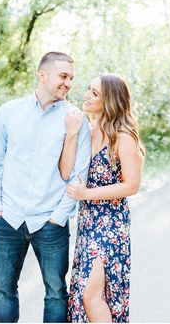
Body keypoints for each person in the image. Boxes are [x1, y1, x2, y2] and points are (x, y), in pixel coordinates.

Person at [0, 51, 91, 323]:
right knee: (3, 290)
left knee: (56, 292)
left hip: (50, 223)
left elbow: (79, 176)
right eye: (63, 76)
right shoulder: (9, 112)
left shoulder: (76, 120)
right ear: (42, 74)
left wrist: (58, 218)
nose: (68, 83)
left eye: (72, 78)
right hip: (9, 219)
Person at [59, 74, 145, 323]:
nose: (86, 95)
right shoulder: (89, 128)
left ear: (110, 100)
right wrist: (72, 134)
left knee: (91, 294)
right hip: (88, 222)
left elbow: (132, 185)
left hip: (111, 224)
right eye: (88, 89)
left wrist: (86, 194)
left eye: (95, 93)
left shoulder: (123, 135)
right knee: (87, 294)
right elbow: (67, 171)